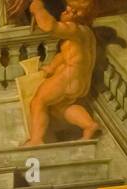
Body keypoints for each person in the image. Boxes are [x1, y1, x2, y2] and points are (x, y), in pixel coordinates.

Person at [23, 0, 100, 146]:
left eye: (76, 10)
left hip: (68, 76)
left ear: (84, 16)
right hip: (81, 82)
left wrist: (37, 8)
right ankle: (89, 125)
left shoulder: (74, 29)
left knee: (38, 101)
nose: (69, 11)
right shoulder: (87, 33)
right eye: (70, 6)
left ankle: (36, 140)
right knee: (61, 107)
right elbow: (67, 54)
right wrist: (52, 67)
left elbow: (50, 26)